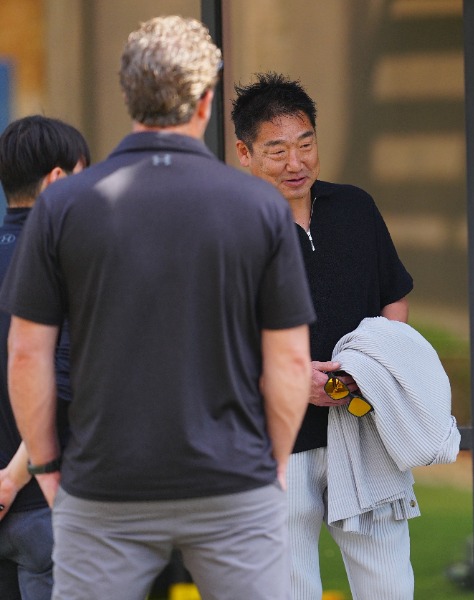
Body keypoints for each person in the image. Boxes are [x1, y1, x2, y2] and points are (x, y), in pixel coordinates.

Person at [0, 17, 316, 600]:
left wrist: (44, 470)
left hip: (103, 488)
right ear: (206, 99)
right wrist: (270, 468)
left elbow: (27, 355)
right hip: (232, 484)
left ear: (128, 94)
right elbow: (292, 363)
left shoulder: (63, 205)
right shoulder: (258, 207)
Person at [231, 72, 415, 600]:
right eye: (277, 150)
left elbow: (393, 295)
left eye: (306, 143)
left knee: (390, 586)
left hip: (364, 429)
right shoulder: (229, 229)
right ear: (244, 153)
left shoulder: (355, 208)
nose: (297, 163)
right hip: (272, 441)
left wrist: (371, 368)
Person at [0, 115, 89, 600]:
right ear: (57, 180)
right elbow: (59, 380)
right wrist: (12, 480)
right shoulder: (68, 263)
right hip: (49, 506)